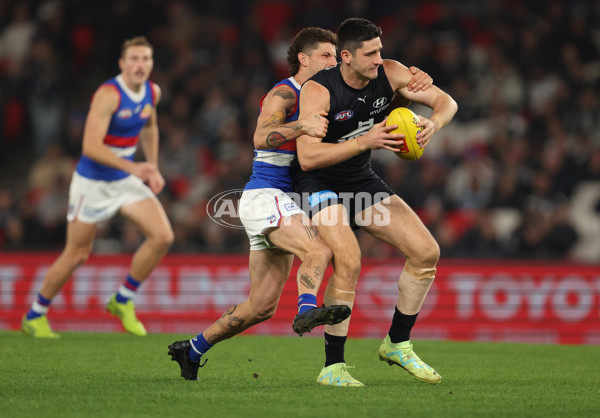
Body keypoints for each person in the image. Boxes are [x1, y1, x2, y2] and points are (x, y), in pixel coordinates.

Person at [167, 27, 433, 381]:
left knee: (260, 307)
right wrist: (299, 126)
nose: (332, 60)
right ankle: (308, 310)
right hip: (268, 194)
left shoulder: (332, 93)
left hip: (293, 202)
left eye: (335, 54)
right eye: (325, 55)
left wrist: (413, 83)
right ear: (303, 59)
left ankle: (193, 348)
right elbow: (261, 136)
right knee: (321, 249)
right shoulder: (286, 92)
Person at [292, 18, 458, 387]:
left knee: (426, 252)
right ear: (346, 57)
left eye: (380, 50)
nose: (379, 59)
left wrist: (435, 123)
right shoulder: (319, 91)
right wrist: (363, 143)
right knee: (349, 260)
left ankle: (397, 343)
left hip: (360, 182)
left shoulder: (393, 72)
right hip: (321, 184)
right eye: (370, 53)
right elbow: (307, 158)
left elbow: (447, 102)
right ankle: (332, 368)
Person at [21, 36, 174, 338]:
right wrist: (135, 168)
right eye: (134, 58)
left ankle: (122, 299)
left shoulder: (152, 93)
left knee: (162, 236)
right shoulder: (108, 94)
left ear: (151, 64)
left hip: (123, 181)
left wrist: (152, 166)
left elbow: (150, 126)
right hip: (91, 184)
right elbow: (90, 146)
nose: (140, 64)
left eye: (145, 58)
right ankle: (34, 315)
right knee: (77, 253)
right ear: (122, 64)